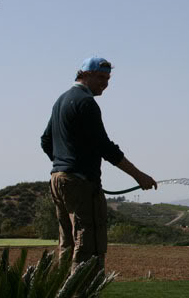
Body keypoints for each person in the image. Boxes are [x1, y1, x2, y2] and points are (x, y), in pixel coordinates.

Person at [41, 56, 157, 271]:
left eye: (108, 78)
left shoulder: (61, 100)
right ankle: (83, 291)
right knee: (88, 245)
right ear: (84, 75)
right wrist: (138, 176)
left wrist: (63, 165)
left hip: (57, 179)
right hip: (79, 182)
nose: (105, 83)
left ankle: (62, 289)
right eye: (101, 77)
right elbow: (105, 147)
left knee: (67, 242)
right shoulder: (86, 103)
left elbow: (46, 140)